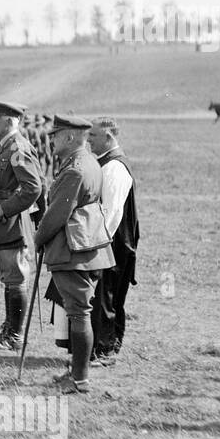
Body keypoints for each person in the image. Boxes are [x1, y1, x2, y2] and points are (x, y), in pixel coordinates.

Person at [36, 115, 115, 393]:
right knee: (78, 312)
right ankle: (76, 372)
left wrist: (38, 238)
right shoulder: (88, 163)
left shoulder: (75, 170)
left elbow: (57, 214)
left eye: (56, 135)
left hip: (73, 252)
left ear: (69, 137)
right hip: (86, 248)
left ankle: (79, 379)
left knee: (79, 313)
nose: (52, 140)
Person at [0, 100, 43, 350]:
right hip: (4, 220)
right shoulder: (6, 146)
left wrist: (4, 209)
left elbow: (33, 187)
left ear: (9, 121)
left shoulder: (16, 147)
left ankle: (15, 337)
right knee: (10, 277)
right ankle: (9, 328)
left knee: (15, 277)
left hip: (10, 220)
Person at [87, 116, 139, 365]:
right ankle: (105, 346)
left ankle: (106, 350)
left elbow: (112, 212)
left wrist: (95, 243)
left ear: (109, 137)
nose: (89, 141)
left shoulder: (115, 167)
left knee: (106, 295)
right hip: (109, 240)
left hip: (112, 242)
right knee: (104, 295)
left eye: (93, 136)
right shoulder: (106, 163)